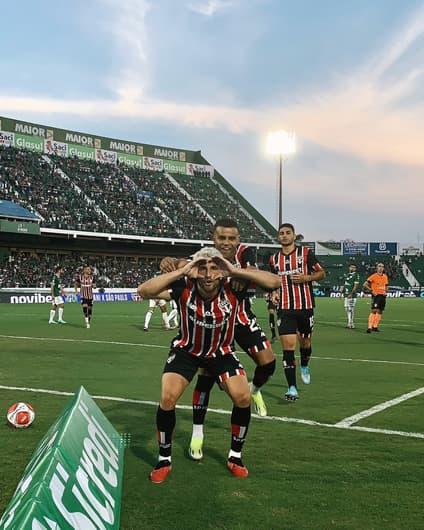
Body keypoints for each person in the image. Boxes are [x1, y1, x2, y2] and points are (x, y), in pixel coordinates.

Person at [138, 247, 280, 483]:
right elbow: (144, 291)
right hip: (187, 350)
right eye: (203, 268)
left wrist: (234, 270)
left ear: (222, 271)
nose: (208, 274)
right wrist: (182, 271)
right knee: (167, 397)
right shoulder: (184, 286)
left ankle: (235, 456)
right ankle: (164, 459)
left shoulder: (234, 287)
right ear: (195, 269)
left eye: (214, 268)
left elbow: (274, 282)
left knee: (243, 397)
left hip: (221, 352)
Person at [161, 218, 277, 462]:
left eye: (231, 238)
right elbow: (184, 264)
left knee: (268, 362)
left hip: (240, 317)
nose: (226, 243)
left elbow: (267, 280)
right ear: (213, 239)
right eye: (221, 238)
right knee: (205, 374)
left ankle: (253, 390)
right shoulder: (206, 257)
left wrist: (237, 273)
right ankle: (197, 433)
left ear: (238, 240)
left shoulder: (245, 255)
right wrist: (172, 262)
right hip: (211, 321)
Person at [269, 223, 326, 401]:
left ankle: (305, 364)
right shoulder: (273, 259)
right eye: (281, 233)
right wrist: (274, 293)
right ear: (278, 237)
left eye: (288, 233)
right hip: (285, 308)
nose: (284, 236)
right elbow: (272, 281)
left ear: (294, 236)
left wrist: (307, 277)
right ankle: (292, 387)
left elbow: (322, 273)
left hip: (305, 306)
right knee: (288, 348)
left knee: (306, 343)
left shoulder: (306, 253)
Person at [363, 262, 389, 333]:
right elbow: (365, 284)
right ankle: (369, 327)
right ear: (377, 268)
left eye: (382, 266)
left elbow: (386, 285)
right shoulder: (373, 276)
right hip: (376, 296)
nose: (381, 268)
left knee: (380, 311)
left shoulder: (385, 276)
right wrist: (371, 290)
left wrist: (386, 292)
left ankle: (375, 326)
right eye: (379, 266)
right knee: (374, 310)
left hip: (383, 296)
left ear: (383, 268)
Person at [342, 263, 360, 329]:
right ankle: (349, 322)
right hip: (346, 294)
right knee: (346, 308)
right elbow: (345, 284)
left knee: (350, 309)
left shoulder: (356, 275)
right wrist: (341, 293)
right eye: (351, 267)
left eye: (354, 267)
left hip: (352, 295)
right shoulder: (347, 275)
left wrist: (351, 294)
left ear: (355, 269)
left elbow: (356, 285)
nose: (352, 268)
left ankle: (351, 323)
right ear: (349, 268)